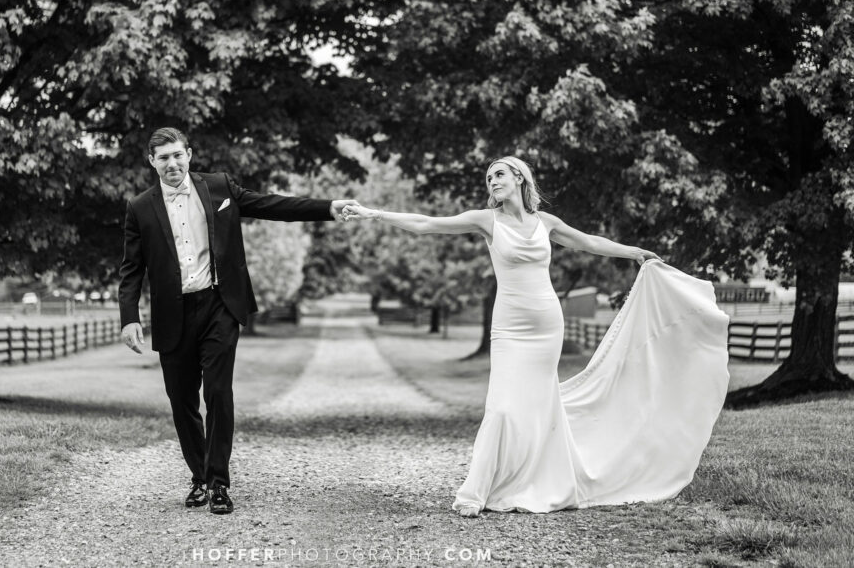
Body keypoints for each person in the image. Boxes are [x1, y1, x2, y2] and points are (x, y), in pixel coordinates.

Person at [343, 155, 729, 515]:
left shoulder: (546, 223)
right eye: (488, 178)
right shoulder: (485, 221)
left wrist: (635, 253)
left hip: (547, 323)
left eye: (499, 174)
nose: (492, 181)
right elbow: (428, 223)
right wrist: (373, 213)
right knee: (503, 406)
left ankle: (541, 479)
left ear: (519, 178)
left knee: (540, 404)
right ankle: (477, 492)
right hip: (509, 327)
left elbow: (590, 243)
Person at [118, 127, 358, 515]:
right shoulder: (139, 207)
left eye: (178, 155)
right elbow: (131, 270)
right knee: (181, 402)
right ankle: (199, 475)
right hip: (172, 314)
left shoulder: (219, 187)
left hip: (219, 306)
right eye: (163, 158)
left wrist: (327, 207)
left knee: (217, 391)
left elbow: (272, 206)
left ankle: (218, 483)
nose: (172, 163)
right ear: (152, 162)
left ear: (189, 154)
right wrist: (129, 318)